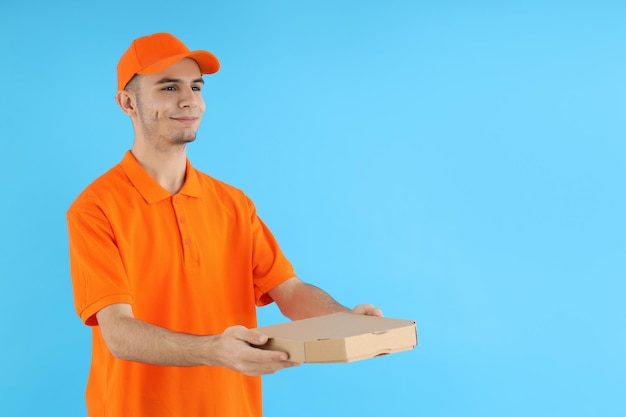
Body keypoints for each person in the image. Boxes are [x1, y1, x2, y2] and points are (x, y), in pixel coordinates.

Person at [67, 32, 382, 417]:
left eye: (196, 87)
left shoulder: (233, 204)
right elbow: (119, 334)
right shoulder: (96, 207)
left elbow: (291, 291)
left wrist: (345, 320)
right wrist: (215, 350)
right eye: (169, 87)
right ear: (127, 102)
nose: (189, 101)